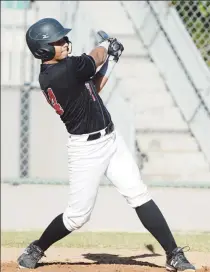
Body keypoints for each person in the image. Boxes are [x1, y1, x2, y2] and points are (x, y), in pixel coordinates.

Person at [18, 18, 195, 271]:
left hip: (112, 140)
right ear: (43, 50)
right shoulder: (62, 71)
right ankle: (36, 248)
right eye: (57, 41)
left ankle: (173, 254)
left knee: (138, 194)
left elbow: (93, 89)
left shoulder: (63, 71)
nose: (64, 43)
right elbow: (94, 57)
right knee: (78, 216)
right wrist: (106, 45)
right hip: (86, 150)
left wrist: (112, 60)